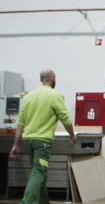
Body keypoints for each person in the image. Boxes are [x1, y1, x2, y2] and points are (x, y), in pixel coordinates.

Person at [9, 69, 76, 204]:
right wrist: (72, 135)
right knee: (39, 171)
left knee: (40, 173)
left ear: (41, 79)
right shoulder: (55, 95)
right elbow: (65, 119)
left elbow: (20, 122)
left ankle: (44, 201)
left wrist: (16, 144)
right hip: (42, 143)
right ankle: (27, 201)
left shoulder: (28, 97)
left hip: (28, 141)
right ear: (52, 78)